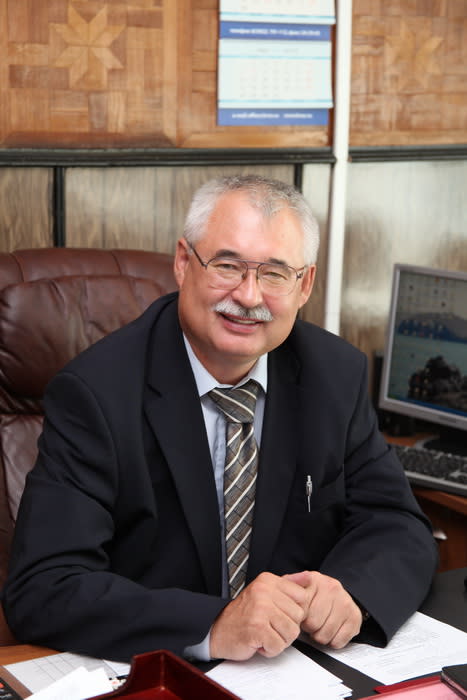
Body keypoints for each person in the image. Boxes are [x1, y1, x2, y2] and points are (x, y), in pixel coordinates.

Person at [2, 175, 437, 664]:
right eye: (228, 266)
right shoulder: (96, 393)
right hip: (159, 671)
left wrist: (352, 592)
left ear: (305, 285)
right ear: (183, 262)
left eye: (275, 274)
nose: (249, 296)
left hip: (294, 672)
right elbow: (45, 587)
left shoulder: (335, 375)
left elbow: (398, 522)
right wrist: (213, 624)